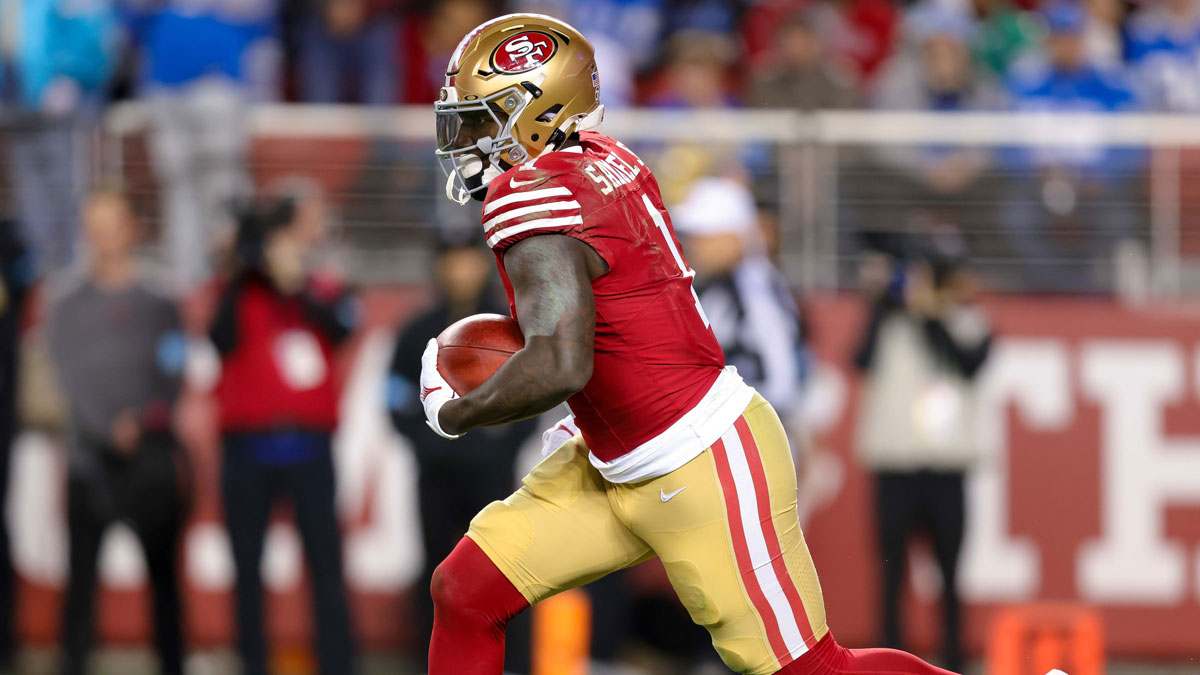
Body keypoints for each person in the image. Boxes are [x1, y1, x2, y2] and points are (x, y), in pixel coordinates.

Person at [421, 13, 961, 675]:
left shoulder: (526, 194)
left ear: (534, 110)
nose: (470, 137)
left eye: (482, 118)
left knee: (814, 669)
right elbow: (628, 314)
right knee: (465, 590)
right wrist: (587, 414)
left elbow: (562, 360)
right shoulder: (605, 158)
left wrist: (457, 412)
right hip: (615, 454)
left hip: (697, 456)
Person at [210, 193, 358, 675]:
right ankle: (252, 663)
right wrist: (239, 271)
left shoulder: (320, 288)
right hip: (245, 451)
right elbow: (218, 338)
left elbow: (341, 328)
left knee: (325, 568)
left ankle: (337, 664)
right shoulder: (236, 292)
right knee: (247, 572)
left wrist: (297, 287)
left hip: (310, 449)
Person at [47, 191, 188, 675]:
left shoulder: (159, 302)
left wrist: (144, 420)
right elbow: (67, 378)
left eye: (111, 225)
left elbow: (173, 372)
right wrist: (108, 428)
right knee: (80, 584)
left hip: (150, 465)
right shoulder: (65, 304)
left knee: (165, 585)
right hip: (89, 464)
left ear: (132, 229)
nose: (102, 238)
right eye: (93, 226)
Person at [385, 232, 536, 672]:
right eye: (452, 261)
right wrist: (429, 442)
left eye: (468, 261)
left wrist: (498, 445)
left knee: (504, 573)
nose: (460, 272)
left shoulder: (509, 329)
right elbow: (393, 401)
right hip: (434, 477)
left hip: (493, 480)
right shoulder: (415, 332)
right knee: (437, 574)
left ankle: (512, 664)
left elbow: (534, 396)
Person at [852, 248, 993, 674]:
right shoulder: (889, 323)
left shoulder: (971, 324)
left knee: (950, 577)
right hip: (894, 469)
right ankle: (890, 661)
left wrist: (930, 314)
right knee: (891, 576)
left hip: (947, 471)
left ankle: (953, 661)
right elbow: (860, 360)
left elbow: (965, 362)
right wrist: (881, 302)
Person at [125, 0, 281, 289]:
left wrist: (262, 90)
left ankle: (230, 282)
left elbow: (263, 25)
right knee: (178, 190)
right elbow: (132, 19)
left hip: (219, 86)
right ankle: (186, 284)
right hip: (165, 89)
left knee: (223, 191)